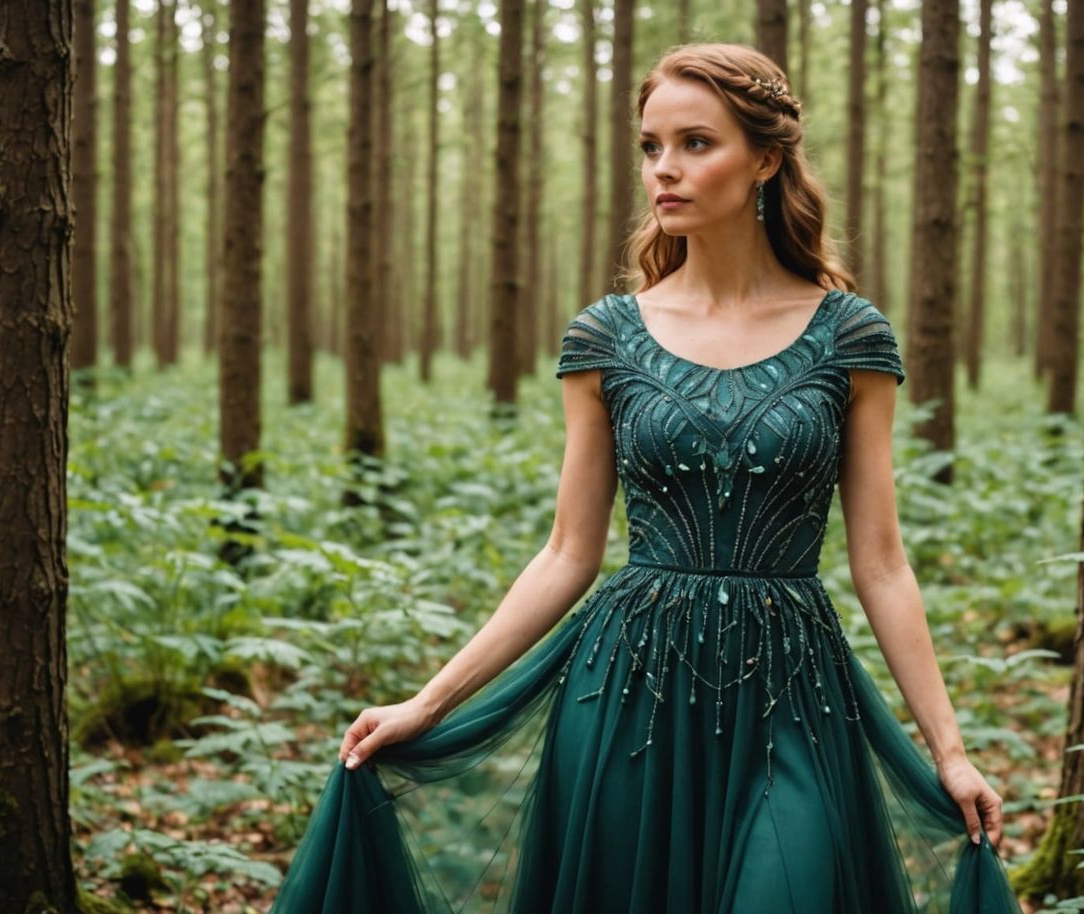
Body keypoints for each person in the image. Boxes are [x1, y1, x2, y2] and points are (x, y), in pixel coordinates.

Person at [267, 42, 1023, 914]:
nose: (665, 169)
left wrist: (950, 750)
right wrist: (427, 703)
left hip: (793, 697)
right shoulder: (606, 338)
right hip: (627, 694)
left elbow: (882, 563)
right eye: (651, 146)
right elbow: (566, 553)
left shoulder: (850, 338)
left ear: (766, 160)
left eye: (696, 143)